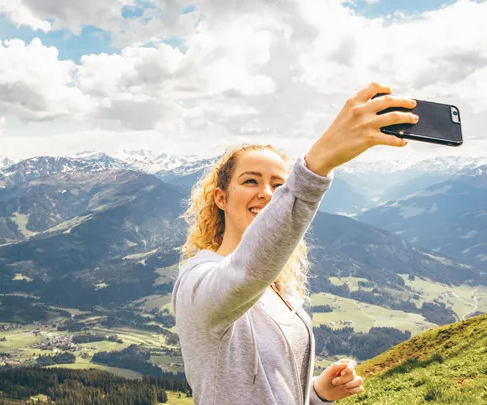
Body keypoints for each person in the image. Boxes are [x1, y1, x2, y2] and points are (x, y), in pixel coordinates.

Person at [171, 82, 419, 405]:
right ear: (220, 197)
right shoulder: (197, 283)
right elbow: (245, 273)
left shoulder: (280, 289)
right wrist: (318, 164)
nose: (267, 194)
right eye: (251, 181)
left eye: (279, 185)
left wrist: (316, 393)